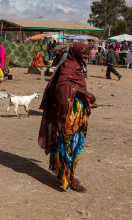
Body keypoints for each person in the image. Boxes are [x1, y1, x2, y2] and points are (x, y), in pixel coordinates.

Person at [38, 43, 96, 192]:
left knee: (74, 145)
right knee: (68, 146)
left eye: (87, 54)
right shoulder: (69, 66)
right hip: (69, 114)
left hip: (77, 111)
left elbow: (75, 87)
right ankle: (68, 179)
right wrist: (86, 94)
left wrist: (86, 101)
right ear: (76, 53)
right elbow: (62, 89)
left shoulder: (76, 65)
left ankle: (65, 173)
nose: (86, 56)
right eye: (83, 54)